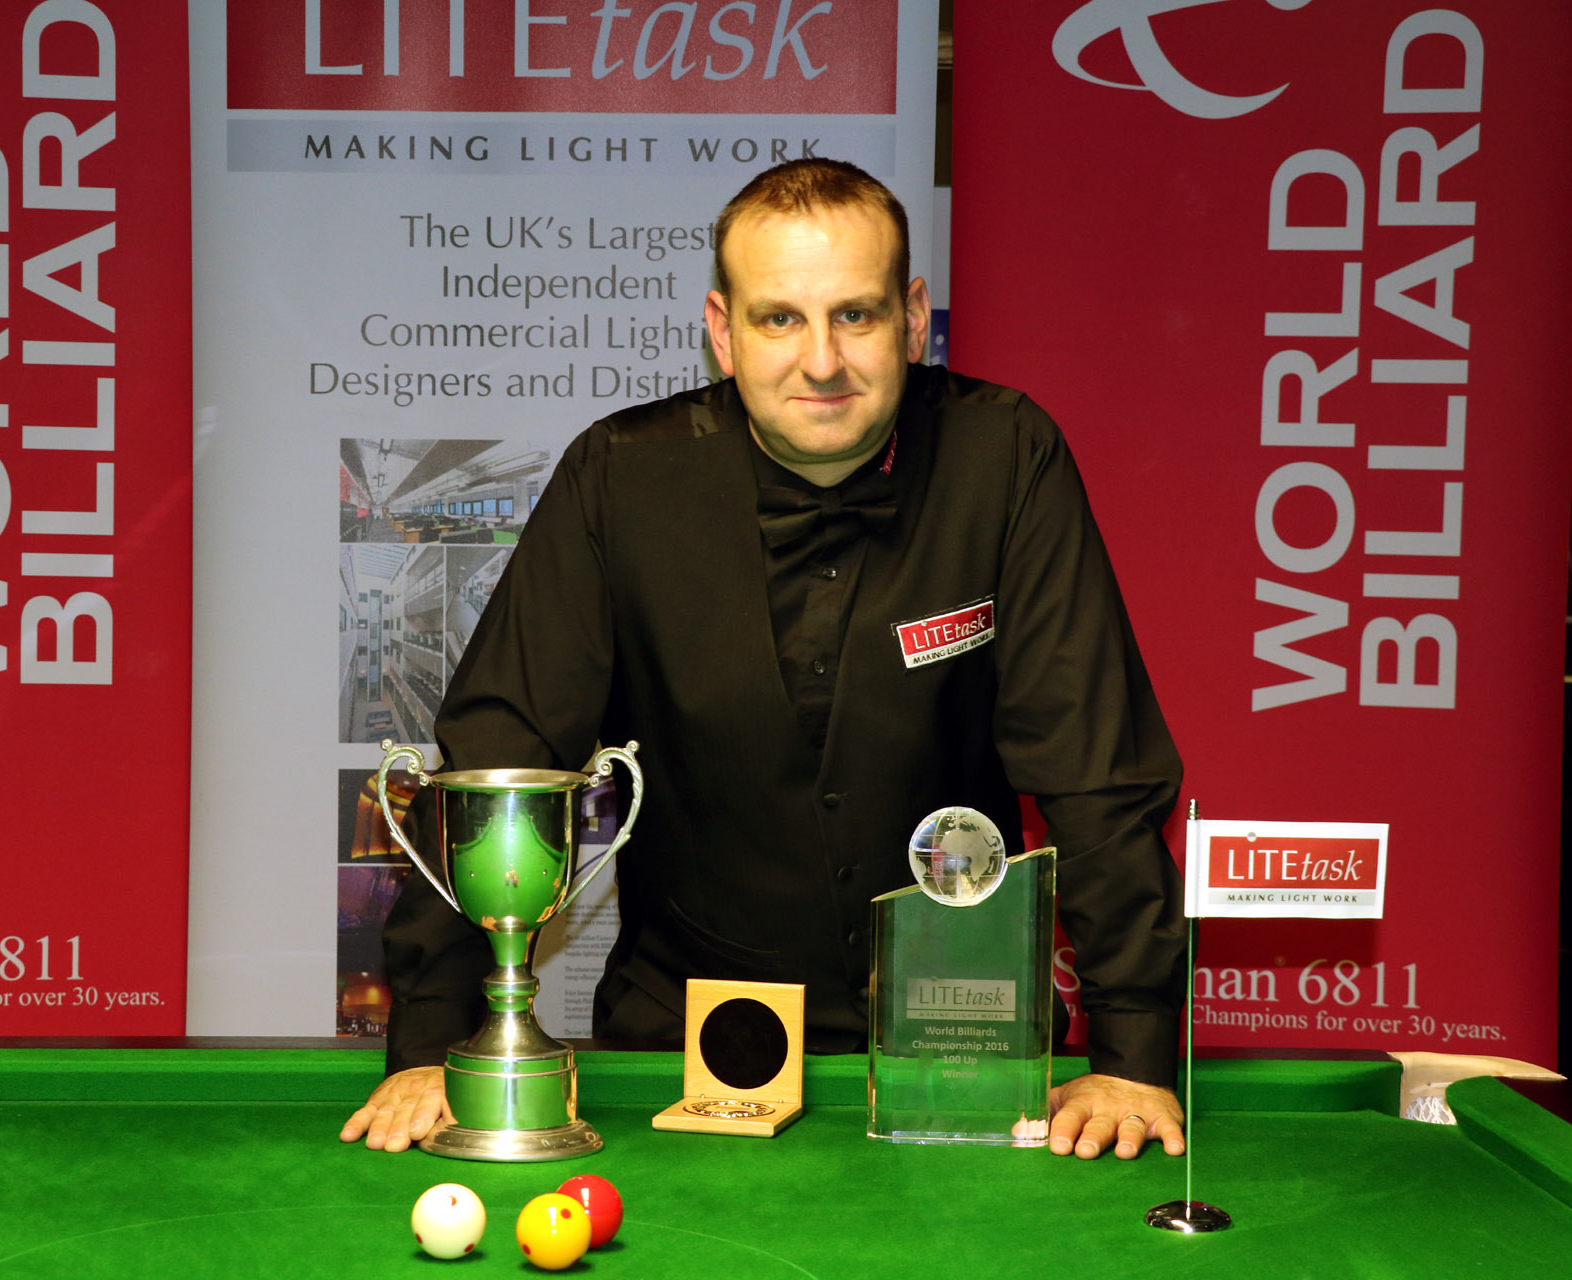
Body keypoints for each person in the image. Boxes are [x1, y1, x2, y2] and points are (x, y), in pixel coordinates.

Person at [341, 159, 1188, 1162]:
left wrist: (1134, 1052)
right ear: (722, 329)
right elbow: (499, 761)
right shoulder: (620, 478)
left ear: (914, 318)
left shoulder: (1007, 459)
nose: (821, 360)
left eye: (855, 315)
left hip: (959, 1053)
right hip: (685, 1055)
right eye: (780, 318)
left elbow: (1096, 776)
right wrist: (433, 1044)